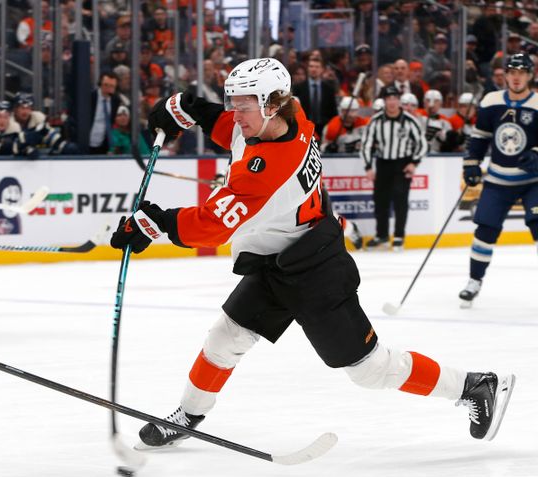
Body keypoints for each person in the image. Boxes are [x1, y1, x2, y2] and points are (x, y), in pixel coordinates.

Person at [108, 58, 515, 452]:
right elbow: (226, 126)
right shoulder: (290, 116)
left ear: (270, 103)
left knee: (369, 369)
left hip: (314, 268)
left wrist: (152, 223)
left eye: (243, 105)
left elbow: (212, 224)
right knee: (224, 338)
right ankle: (188, 417)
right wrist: (186, 109)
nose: (235, 114)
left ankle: (473, 385)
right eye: (233, 102)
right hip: (276, 259)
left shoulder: (268, 167)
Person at [460, 53, 538, 307]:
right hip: (498, 179)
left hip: (532, 182)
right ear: (505, 75)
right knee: (485, 230)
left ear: (530, 75)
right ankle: (474, 281)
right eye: (512, 72)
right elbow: (480, 137)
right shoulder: (491, 100)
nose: (517, 77)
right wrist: (471, 164)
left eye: (522, 73)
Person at [360, 84, 427, 251]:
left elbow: (422, 144)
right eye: (388, 98)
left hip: (402, 164)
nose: (392, 102)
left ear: (399, 100)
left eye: (395, 98)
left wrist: (414, 162)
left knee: (400, 200)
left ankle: (398, 236)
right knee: (380, 201)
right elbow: (366, 144)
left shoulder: (410, 121)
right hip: (383, 163)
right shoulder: (376, 121)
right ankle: (382, 235)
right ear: (384, 101)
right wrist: (368, 166)